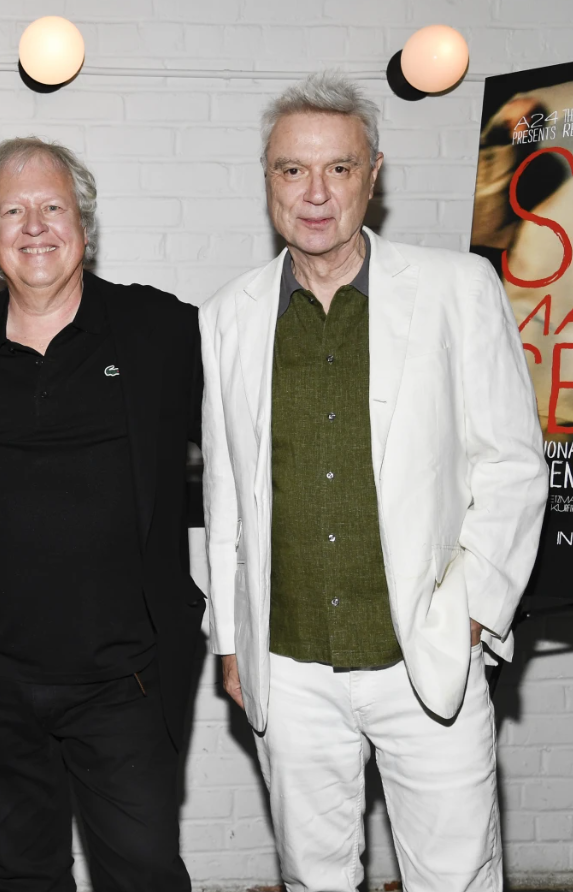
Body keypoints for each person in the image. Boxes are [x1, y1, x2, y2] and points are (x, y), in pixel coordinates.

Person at [200, 71, 547, 891]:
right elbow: (227, 496)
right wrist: (229, 638)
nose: (314, 193)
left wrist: (469, 616)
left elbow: (511, 466)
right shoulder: (227, 314)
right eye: (291, 170)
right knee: (313, 878)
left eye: (338, 168)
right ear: (267, 180)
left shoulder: (456, 289)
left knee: (454, 877)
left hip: (422, 656)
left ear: (374, 174)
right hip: (286, 667)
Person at [0, 137, 204, 892]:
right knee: (20, 878)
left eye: (53, 207)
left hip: (124, 683)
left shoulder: (162, 331)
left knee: (142, 872)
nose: (34, 225)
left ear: (84, 226)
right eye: (13, 211)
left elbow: (256, 436)